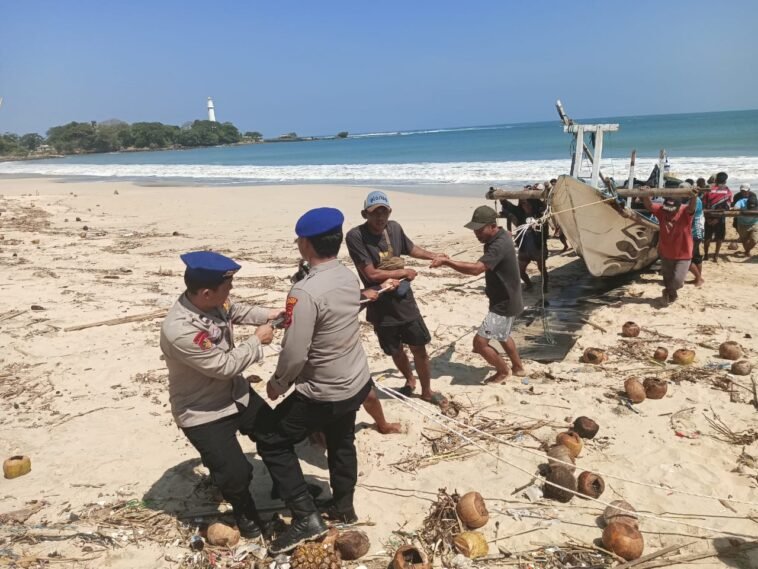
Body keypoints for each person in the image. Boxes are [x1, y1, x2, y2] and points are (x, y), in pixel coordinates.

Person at [256, 207, 373, 554]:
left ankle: (305, 516)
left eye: (299, 240)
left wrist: (278, 383)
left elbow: (295, 351)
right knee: (341, 440)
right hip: (356, 380)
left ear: (306, 244)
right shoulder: (346, 276)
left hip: (324, 389)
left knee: (271, 440)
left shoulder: (304, 291)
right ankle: (344, 506)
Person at [160, 251, 279, 538]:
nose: (231, 289)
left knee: (276, 435)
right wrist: (257, 341)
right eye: (228, 285)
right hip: (203, 411)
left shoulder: (214, 300)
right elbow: (224, 366)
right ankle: (246, 514)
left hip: (235, 393)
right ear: (205, 293)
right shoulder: (181, 330)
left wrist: (270, 315)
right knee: (236, 474)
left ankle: (288, 488)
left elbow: (235, 310)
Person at [345, 191, 448, 406]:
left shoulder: (394, 228)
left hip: (404, 301)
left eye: (384, 212)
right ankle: (410, 380)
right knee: (395, 349)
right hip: (379, 303)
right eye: (375, 213)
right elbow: (371, 274)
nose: (380, 217)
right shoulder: (356, 236)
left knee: (419, 347)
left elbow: (411, 248)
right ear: (365, 214)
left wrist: (434, 256)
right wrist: (403, 272)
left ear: (389, 212)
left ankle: (427, 391)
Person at [289, 261, 402, 435]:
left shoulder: (334, 290)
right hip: (321, 364)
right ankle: (317, 434)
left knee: (369, 395)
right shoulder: (305, 299)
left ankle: (382, 424)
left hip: (349, 359)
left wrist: (380, 288)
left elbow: (350, 301)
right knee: (319, 406)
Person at [430, 205, 526, 384]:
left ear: (492, 226)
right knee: (503, 335)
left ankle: (503, 371)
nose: (476, 234)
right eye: (474, 230)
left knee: (479, 344)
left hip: (504, 303)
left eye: (480, 230)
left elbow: (476, 269)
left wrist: (447, 262)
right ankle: (518, 367)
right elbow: (507, 234)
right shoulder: (502, 235)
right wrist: (450, 350)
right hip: (509, 298)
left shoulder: (498, 245)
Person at [642, 189, 699, 305]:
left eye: (672, 210)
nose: (669, 213)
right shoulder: (662, 211)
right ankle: (670, 295)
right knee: (668, 280)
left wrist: (694, 197)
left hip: (683, 253)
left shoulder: (685, 212)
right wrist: (645, 194)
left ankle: (668, 292)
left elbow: (692, 208)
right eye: (667, 210)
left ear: (678, 207)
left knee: (678, 282)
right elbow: (649, 205)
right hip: (666, 252)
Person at [499, 190, 549, 292]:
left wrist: (537, 224)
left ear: (531, 204)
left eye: (526, 203)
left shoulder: (540, 215)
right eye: (522, 203)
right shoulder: (519, 214)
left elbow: (546, 208)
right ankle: (529, 284)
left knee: (542, 269)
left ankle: (545, 286)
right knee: (520, 271)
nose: (524, 206)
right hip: (524, 248)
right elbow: (507, 205)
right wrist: (501, 197)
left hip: (538, 247)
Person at [702, 171, 732, 263]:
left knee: (707, 237)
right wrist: (718, 218)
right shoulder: (727, 190)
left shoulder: (709, 189)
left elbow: (704, 203)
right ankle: (716, 255)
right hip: (720, 218)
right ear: (725, 180)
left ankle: (706, 255)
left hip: (709, 216)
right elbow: (728, 205)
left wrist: (708, 218)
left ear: (716, 179)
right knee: (719, 237)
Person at [683, 181, 705, 287]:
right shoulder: (695, 199)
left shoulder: (695, 201)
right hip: (698, 231)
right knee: (696, 256)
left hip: (694, 232)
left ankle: (699, 278)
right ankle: (698, 278)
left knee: (686, 257)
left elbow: (688, 214)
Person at [734, 190, 758, 256]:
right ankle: (747, 251)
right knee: (744, 240)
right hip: (742, 224)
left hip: (755, 223)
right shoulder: (741, 201)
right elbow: (735, 208)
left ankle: (747, 250)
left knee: (754, 240)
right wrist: (741, 210)